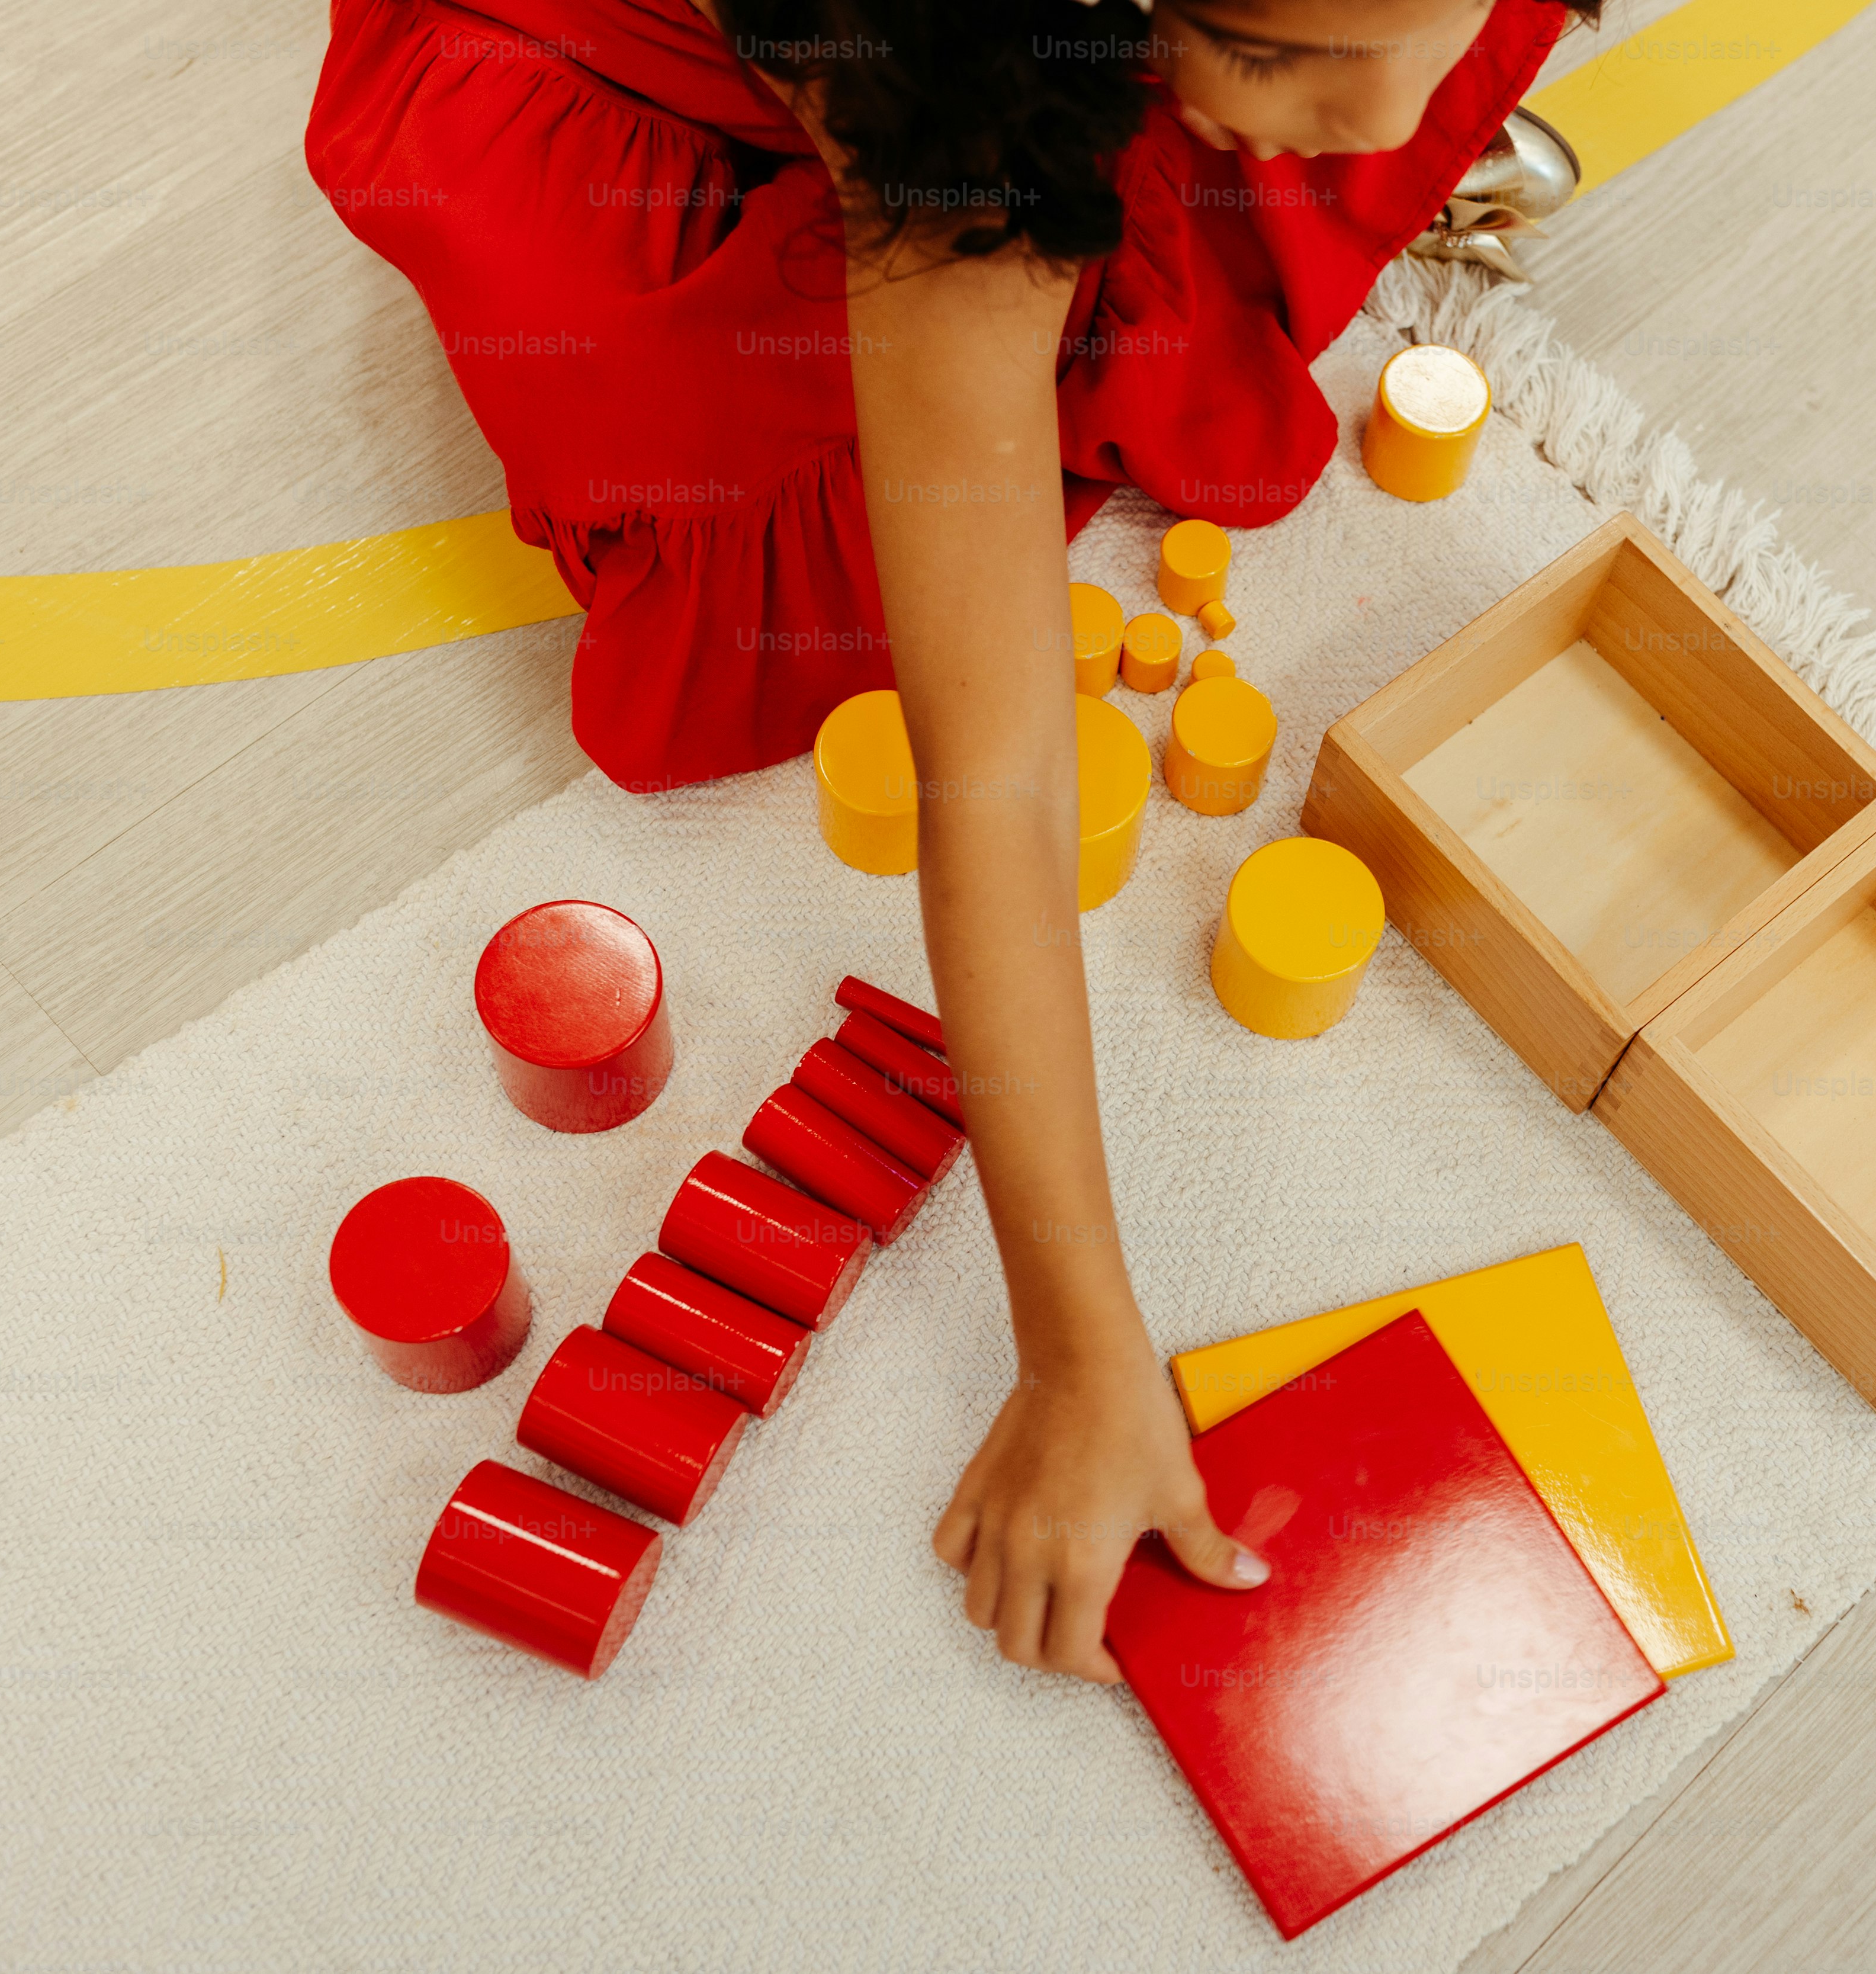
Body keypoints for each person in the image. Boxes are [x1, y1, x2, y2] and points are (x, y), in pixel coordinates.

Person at [307, 0, 1591, 1683]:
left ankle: (1126, 206)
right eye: (1277, 57)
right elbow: (990, 767)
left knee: (1193, 239)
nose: (1357, 121)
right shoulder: (951, 88)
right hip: (788, 66)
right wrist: (1078, 1348)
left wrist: (1312, 68)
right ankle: (997, 241)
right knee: (725, 578)